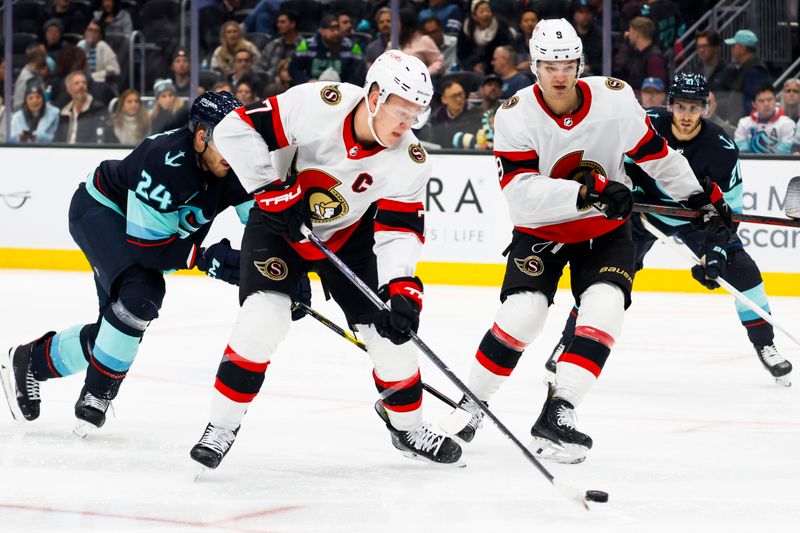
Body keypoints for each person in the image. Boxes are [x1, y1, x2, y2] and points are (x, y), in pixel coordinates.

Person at [449, 20, 730, 464]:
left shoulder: (615, 100)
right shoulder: (515, 113)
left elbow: (655, 155)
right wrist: (589, 193)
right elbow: (520, 191)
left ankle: (559, 412)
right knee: (524, 315)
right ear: (534, 65)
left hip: (604, 233)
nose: (560, 75)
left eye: (567, 64)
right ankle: (470, 402)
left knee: (605, 309)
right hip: (542, 231)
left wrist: (700, 198)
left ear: (580, 62)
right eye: (549, 65)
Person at [188, 50, 463, 470]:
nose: (407, 125)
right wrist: (268, 189)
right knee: (263, 319)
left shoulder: (410, 161)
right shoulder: (319, 103)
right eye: (400, 112)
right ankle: (221, 426)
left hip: (350, 237)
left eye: (416, 115)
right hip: (280, 223)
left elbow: (399, 231)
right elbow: (234, 128)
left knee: (391, 338)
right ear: (374, 97)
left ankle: (407, 428)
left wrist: (401, 288)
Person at [0, 92, 253, 435]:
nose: (236, 150)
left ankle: (32, 361)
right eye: (227, 140)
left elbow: (262, 222)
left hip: (142, 233)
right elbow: (150, 250)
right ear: (200, 136)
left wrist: (277, 271)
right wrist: (206, 258)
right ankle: (97, 393)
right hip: (101, 211)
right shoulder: (166, 161)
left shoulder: (237, 165)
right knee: (142, 294)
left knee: (117, 328)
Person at [545, 73, 792, 387]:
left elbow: (729, 209)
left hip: (696, 218)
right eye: (680, 107)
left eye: (694, 108)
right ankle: (569, 342)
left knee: (743, 270)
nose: (686, 116)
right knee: (603, 277)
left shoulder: (722, 149)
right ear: (670, 105)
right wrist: (620, 191)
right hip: (642, 211)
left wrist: (715, 251)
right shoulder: (644, 125)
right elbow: (608, 160)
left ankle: (765, 344)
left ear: (705, 108)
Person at [289, 14, 367, 86]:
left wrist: (347, 86)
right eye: (332, 29)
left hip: (343, 90)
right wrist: (307, 81)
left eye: (338, 29)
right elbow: (293, 68)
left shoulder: (352, 46)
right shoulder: (307, 45)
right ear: (322, 31)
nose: (336, 33)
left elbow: (360, 72)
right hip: (312, 88)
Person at [720, 29, 770, 121]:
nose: (732, 49)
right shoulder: (746, 68)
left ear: (742, 48)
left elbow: (751, 102)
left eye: (733, 46)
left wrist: (735, 120)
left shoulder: (755, 71)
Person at [734, 84, 796, 155]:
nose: (766, 104)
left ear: (775, 100)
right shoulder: (743, 123)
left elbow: (785, 152)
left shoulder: (787, 124)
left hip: (779, 164)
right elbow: (742, 152)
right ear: (754, 104)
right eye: (761, 101)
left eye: (769, 99)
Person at [456, 0, 514, 74]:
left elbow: (509, 48)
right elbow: (462, 54)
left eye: (488, 11)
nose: (486, 14)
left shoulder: (500, 26)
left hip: (497, 68)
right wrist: (472, 66)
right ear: (474, 16)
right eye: (481, 12)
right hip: (472, 68)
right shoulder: (466, 28)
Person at [54, 70, 109, 144]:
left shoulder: (98, 109)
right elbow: (58, 138)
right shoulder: (64, 112)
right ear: (69, 90)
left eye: (84, 83)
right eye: (77, 83)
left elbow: (100, 137)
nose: (81, 86)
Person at [616, 16, 667, 93]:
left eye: (630, 31)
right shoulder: (634, 53)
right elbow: (618, 67)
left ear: (636, 35)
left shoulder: (654, 59)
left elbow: (656, 90)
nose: (628, 34)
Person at [9, 79, 60, 144]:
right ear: (26, 101)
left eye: (38, 97)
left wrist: (38, 137)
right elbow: (11, 139)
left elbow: (57, 138)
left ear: (43, 99)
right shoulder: (17, 117)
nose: (34, 101)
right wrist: (20, 138)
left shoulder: (54, 114)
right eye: (30, 98)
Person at [256, 9, 301, 81]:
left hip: (296, 83)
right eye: (278, 22)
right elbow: (259, 66)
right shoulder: (272, 45)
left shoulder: (304, 45)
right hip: (271, 83)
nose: (278, 25)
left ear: (293, 24)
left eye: (283, 22)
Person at [78, 20, 121, 85]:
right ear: (85, 32)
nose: (92, 33)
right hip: (82, 82)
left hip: (99, 84)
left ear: (100, 35)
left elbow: (115, 70)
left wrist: (93, 77)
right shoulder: (80, 44)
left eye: (96, 31)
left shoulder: (102, 45)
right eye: (90, 30)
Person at [571, 0, 602, 75]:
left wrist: (589, 68)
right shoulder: (569, 34)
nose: (585, 15)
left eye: (587, 12)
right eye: (581, 12)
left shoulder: (600, 35)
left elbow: (606, 63)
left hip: (595, 76)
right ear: (574, 15)